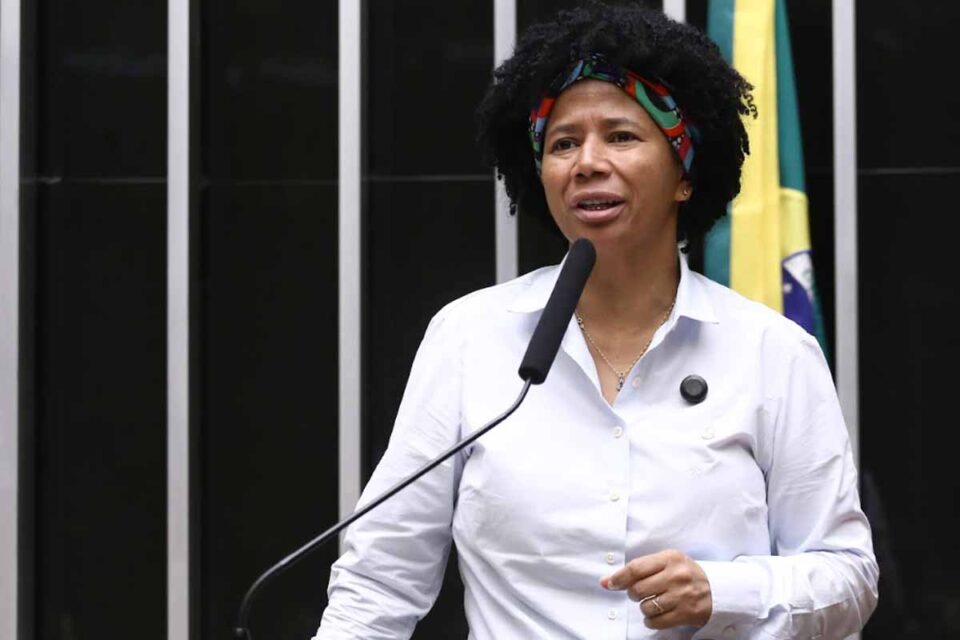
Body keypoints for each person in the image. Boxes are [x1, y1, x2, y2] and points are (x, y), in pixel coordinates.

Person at [314, 3, 878, 638]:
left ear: (684, 175)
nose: (586, 162)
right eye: (562, 143)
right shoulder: (470, 337)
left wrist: (723, 591)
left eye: (621, 136)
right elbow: (378, 582)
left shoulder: (772, 351)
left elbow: (848, 575)